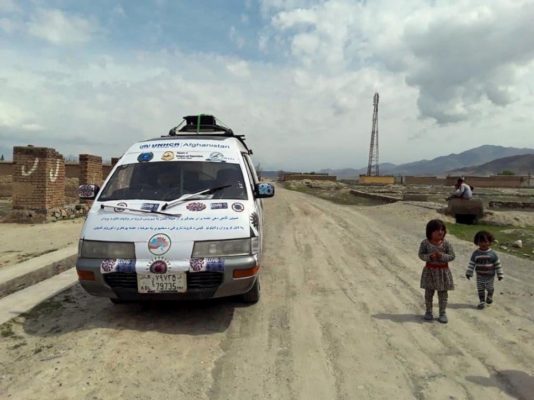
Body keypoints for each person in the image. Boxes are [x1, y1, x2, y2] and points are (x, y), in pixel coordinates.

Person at [418, 219, 456, 323]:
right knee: (429, 293)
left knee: (443, 294)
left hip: (443, 273)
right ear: (430, 232)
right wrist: (430, 257)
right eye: (437, 230)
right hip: (430, 272)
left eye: (442, 229)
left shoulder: (446, 243)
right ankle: (428, 311)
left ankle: (442, 313)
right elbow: (421, 255)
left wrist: (442, 256)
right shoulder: (425, 243)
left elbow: (452, 256)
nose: (440, 232)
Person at [466, 231, 503, 309]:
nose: (483, 244)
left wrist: (500, 274)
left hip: (490, 276)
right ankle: (482, 302)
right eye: (480, 242)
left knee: (489, 288)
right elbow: (472, 263)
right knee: (480, 289)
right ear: (477, 242)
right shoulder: (476, 253)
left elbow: (497, 264)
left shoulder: (492, 254)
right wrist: (469, 272)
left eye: (485, 242)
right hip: (479, 276)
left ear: (489, 242)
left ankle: (490, 295)